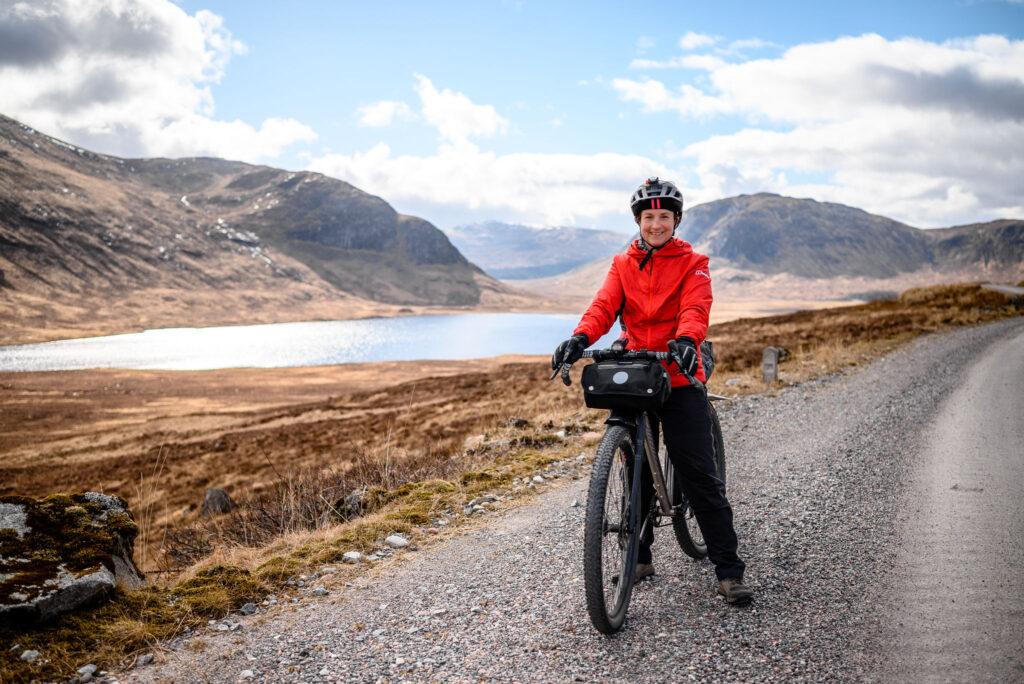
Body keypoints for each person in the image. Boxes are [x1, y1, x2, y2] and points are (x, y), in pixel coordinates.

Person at [551, 177, 753, 605]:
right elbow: (604, 306)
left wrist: (686, 340)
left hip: (677, 372)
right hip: (638, 370)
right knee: (636, 471)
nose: (656, 224)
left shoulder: (694, 262)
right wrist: (580, 338)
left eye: (664, 216)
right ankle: (638, 558)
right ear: (639, 221)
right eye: (649, 217)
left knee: (699, 475)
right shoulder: (622, 263)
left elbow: (697, 308)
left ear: (675, 220)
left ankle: (729, 570)